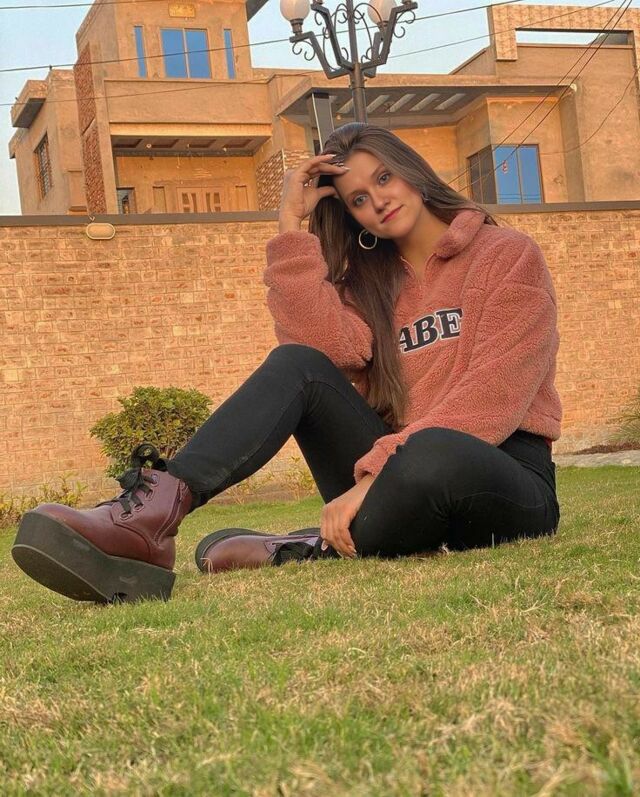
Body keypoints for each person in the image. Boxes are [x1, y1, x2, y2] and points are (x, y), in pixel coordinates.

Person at [12, 123, 562, 604]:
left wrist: (376, 475)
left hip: (500, 473)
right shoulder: (370, 288)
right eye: (358, 199)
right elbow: (319, 352)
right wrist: (290, 226)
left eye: (383, 178)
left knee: (433, 452)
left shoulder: (506, 254)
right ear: (351, 216)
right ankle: (153, 516)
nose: (377, 200)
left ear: (412, 172)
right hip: (393, 480)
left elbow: (495, 393)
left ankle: (305, 547)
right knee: (296, 363)